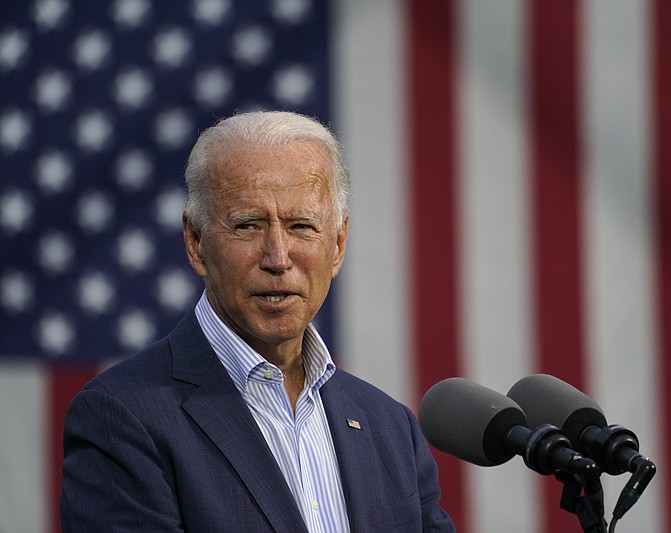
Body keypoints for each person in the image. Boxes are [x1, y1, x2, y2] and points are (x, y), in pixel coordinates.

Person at [60, 111, 454, 532]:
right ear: (195, 242)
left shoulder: (390, 428)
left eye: (301, 226)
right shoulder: (122, 417)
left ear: (338, 244)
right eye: (247, 226)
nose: (278, 258)